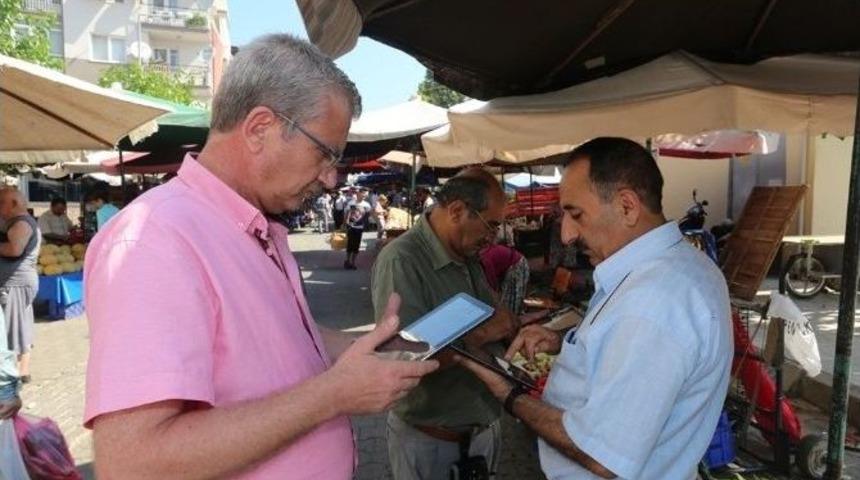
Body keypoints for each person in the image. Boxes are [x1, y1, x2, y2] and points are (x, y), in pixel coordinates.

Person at [83, 34, 438, 480]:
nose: (330, 179)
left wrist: (365, 348)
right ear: (259, 129)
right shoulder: (153, 239)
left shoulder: (250, 224)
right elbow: (133, 463)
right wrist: (333, 395)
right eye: (325, 153)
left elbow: (274, 339)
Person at [458, 137, 732, 480]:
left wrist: (509, 394)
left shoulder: (653, 302)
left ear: (627, 207)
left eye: (576, 214)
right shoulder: (679, 266)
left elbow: (601, 454)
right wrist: (566, 343)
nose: (568, 234)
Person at [371, 168, 520, 480]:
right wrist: (484, 334)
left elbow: (498, 316)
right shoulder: (402, 260)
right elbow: (399, 358)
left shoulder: (468, 252)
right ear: (456, 211)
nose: (492, 238)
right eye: (490, 226)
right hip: (431, 440)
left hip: (481, 430)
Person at [0, 188, 41, 384]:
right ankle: (22, 372)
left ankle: (10, 377)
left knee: (11, 329)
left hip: (15, 285)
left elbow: (15, 249)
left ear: (14, 203)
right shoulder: (17, 223)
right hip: (17, 284)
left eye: (1, 203)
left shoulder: (22, 223)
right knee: (21, 325)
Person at [479, 243, 529, 315]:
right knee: (504, 300)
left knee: (512, 302)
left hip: (517, 265)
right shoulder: (481, 254)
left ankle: (514, 319)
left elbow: (492, 283)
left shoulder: (485, 258)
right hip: (506, 267)